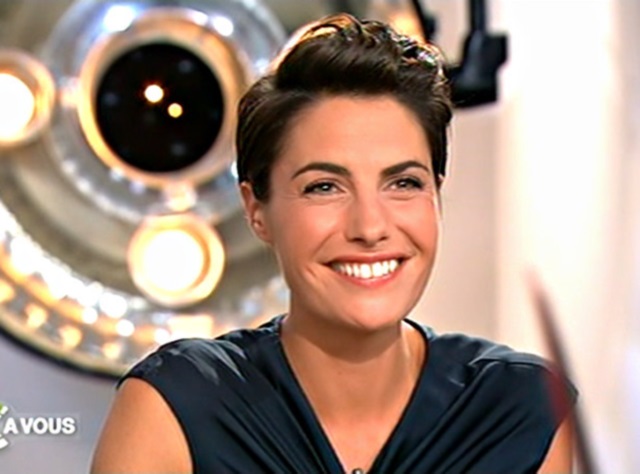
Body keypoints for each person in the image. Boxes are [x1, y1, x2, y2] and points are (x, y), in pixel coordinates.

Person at [92, 13, 576, 474]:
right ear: (256, 209)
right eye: (324, 187)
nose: (370, 226)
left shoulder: (521, 412)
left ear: (436, 194)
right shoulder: (178, 407)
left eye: (403, 183)